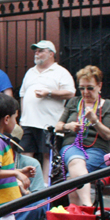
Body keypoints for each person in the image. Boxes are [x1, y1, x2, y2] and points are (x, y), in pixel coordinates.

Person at [54, 66, 110, 206]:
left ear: (99, 86)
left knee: (74, 174)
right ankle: (88, 206)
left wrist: (95, 121)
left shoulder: (108, 105)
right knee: (76, 162)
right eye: (82, 88)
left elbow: (108, 135)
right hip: (72, 145)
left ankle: (77, 214)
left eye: (90, 88)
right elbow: (57, 126)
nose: (85, 92)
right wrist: (68, 126)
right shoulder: (73, 102)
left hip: (97, 148)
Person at [18, 40, 76, 184]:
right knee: (25, 154)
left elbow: (70, 93)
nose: (36, 53)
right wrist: (22, 117)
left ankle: (45, 188)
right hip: (28, 122)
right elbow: (23, 95)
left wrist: (49, 93)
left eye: (40, 50)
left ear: (51, 54)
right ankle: (26, 186)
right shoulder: (30, 72)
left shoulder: (61, 72)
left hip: (49, 122)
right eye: (35, 51)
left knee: (47, 155)